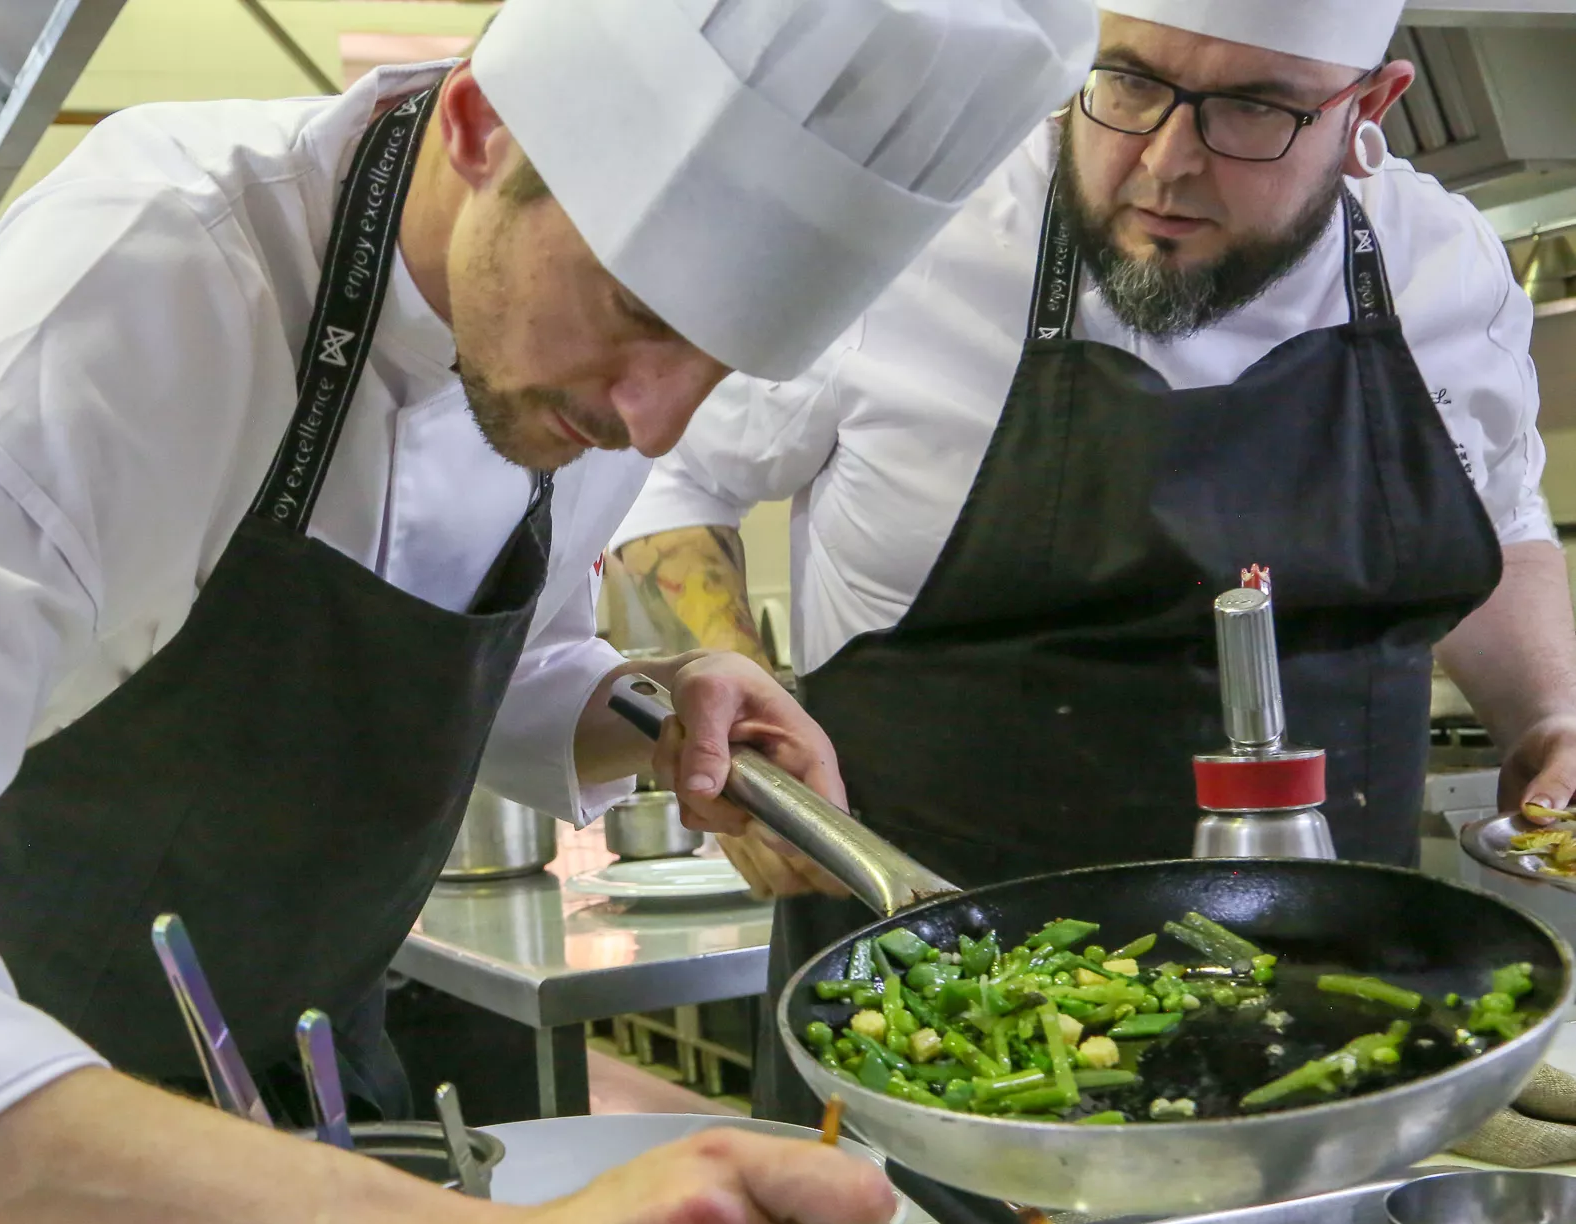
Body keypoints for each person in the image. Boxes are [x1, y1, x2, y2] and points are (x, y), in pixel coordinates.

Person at [0, 0, 1093, 1224]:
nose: (654, 418)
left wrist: (645, 703)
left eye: (726, 362)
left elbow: (478, 643)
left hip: (321, 1116)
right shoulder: (155, 279)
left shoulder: (588, 374)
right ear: (486, 127)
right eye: (638, 309)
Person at [611, 0, 1576, 1123]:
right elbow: (662, 476)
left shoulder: (1441, 264)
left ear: (1366, 108)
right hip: (935, 1021)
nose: (1164, 163)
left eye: (1253, 110)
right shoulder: (902, 235)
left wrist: (1547, 719)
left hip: (1339, 1020)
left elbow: (1498, 518)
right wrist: (744, 744)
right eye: (1125, 84)